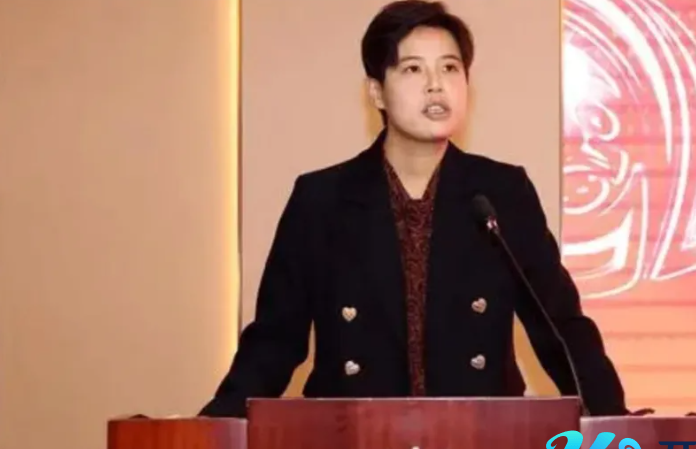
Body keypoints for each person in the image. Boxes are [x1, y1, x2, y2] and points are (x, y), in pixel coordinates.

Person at [200, 0, 627, 418]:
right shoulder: (322, 199)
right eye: (413, 69)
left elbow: (560, 326)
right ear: (377, 92)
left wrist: (614, 421)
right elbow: (275, 340)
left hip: (482, 438)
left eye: (450, 68)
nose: (435, 85)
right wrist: (213, 432)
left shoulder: (501, 192)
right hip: (350, 437)